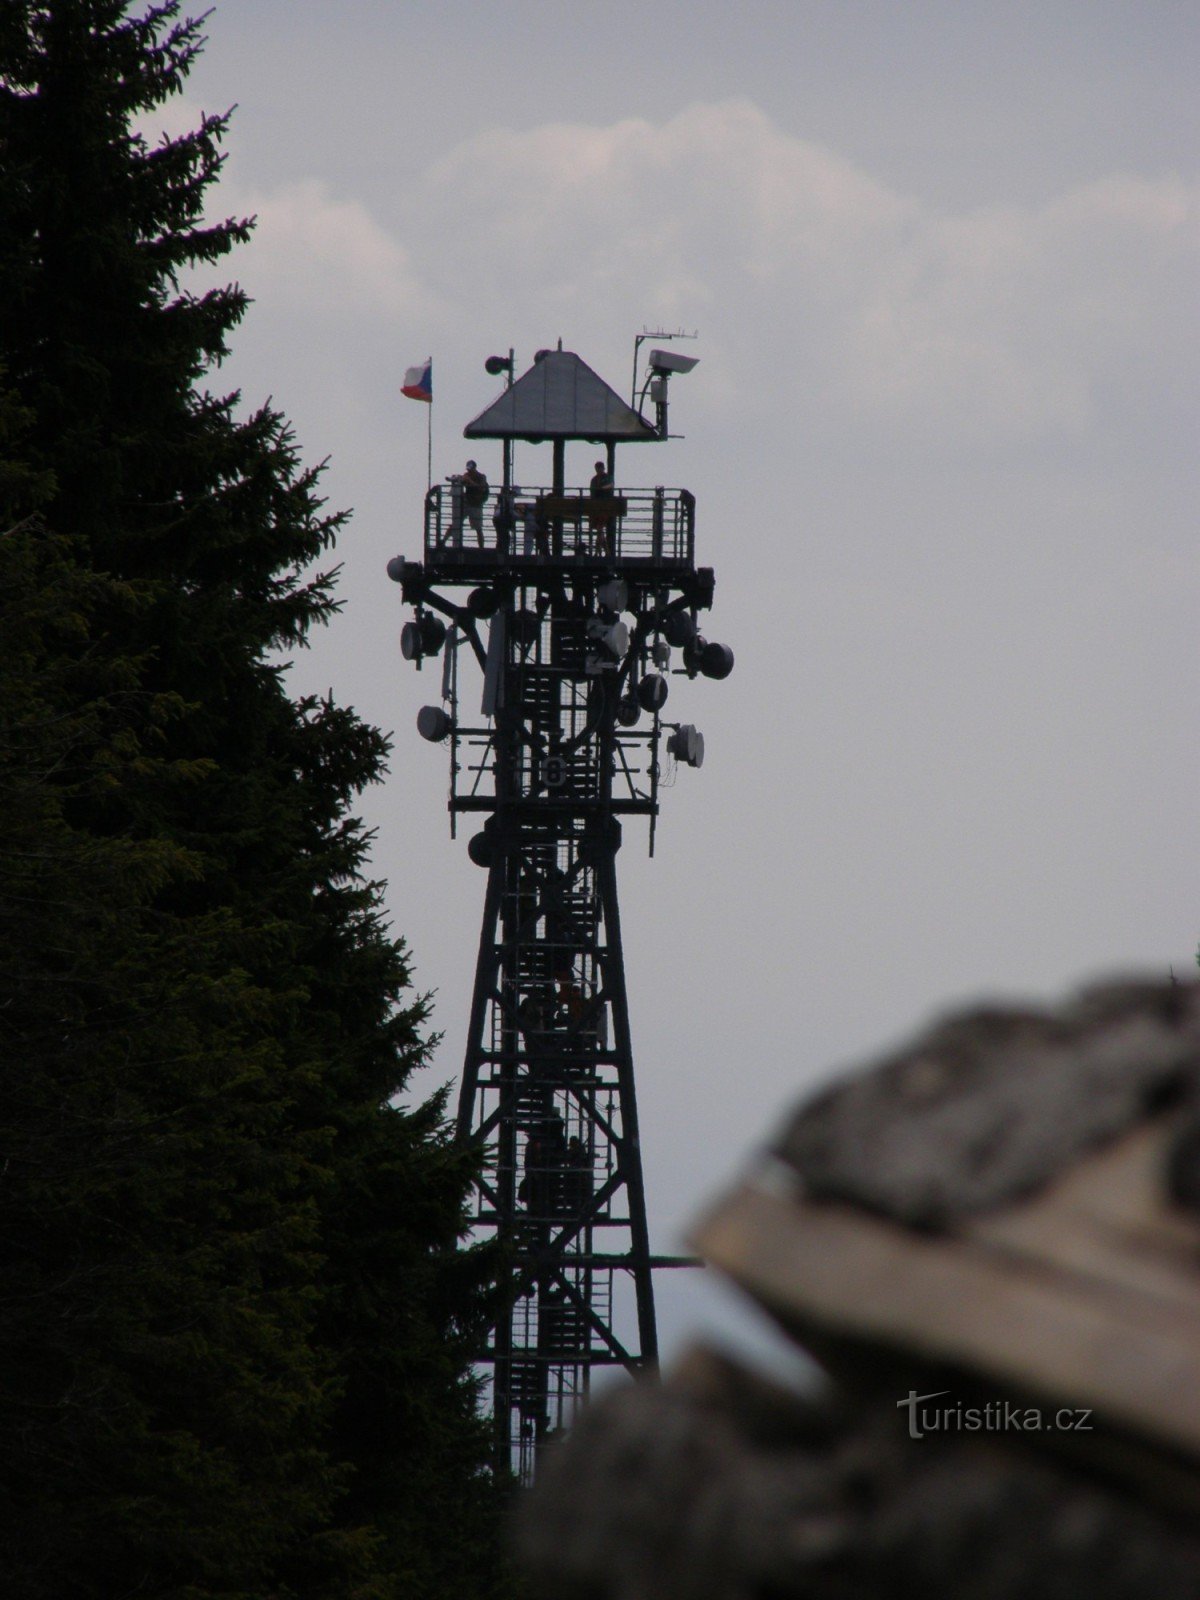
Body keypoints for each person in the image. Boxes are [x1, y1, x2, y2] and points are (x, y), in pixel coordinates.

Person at [588, 459, 615, 556]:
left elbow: (611, 485)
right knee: (600, 530)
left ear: (603, 468)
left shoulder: (607, 477)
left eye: (599, 469)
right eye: (597, 469)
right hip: (596, 506)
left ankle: (597, 552)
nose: (598, 471)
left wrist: (601, 488)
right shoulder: (594, 479)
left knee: (600, 529)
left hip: (604, 506)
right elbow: (592, 492)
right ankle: (606, 551)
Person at [462, 459, 489, 547]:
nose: (469, 471)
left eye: (471, 469)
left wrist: (470, 481)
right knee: (456, 522)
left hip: (476, 505)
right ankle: (443, 541)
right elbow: (461, 482)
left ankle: (481, 548)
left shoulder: (481, 477)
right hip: (467, 503)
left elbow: (482, 488)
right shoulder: (466, 475)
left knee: (478, 529)